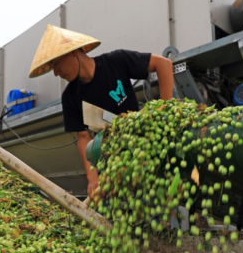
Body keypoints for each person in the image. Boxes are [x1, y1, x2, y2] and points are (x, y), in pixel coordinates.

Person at [29, 25, 175, 197]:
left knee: (154, 201)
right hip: (112, 162)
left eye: (55, 64)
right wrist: (92, 178)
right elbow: (83, 138)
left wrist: (164, 110)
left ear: (73, 51)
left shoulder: (116, 61)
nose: (55, 73)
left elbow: (163, 65)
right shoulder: (70, 97)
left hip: (145, 147)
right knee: (113, 210)